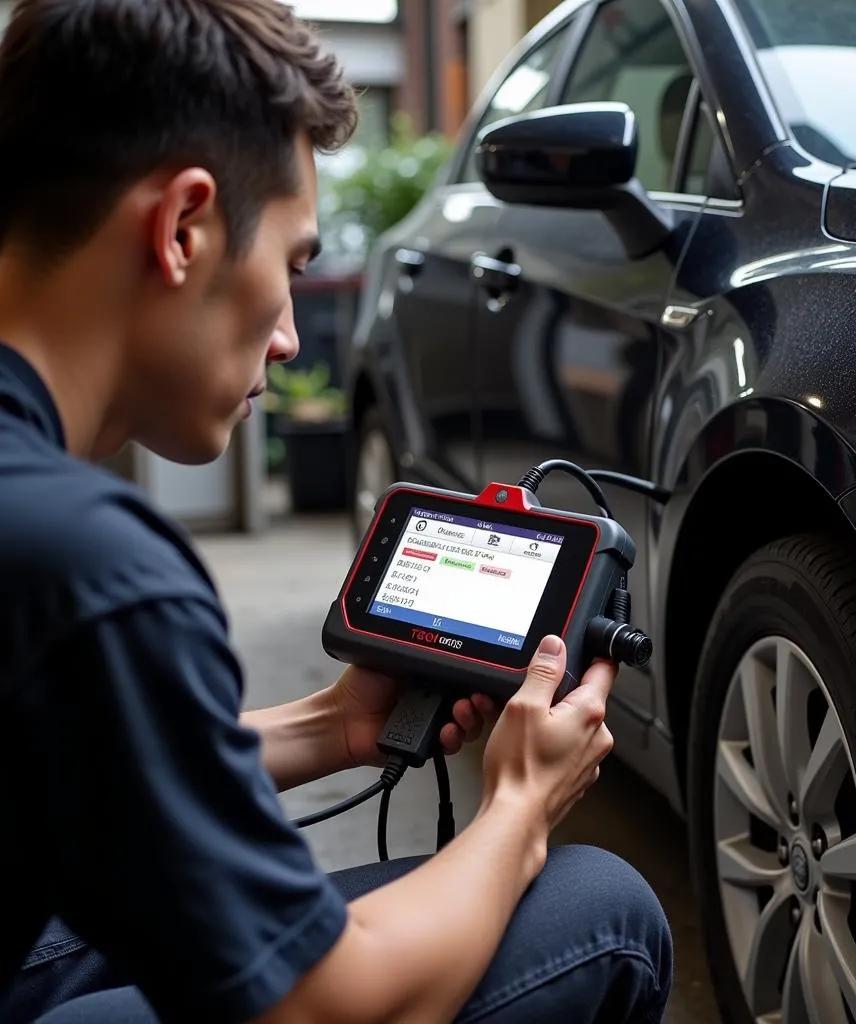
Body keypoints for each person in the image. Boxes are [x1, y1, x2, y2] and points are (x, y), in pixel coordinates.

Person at [0, 1, 674, 1022]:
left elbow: (78, 747)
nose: (284, 336)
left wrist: (331, 723)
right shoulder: (91, 562)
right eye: (292, 264)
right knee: (601, 905)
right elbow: (325, 1007)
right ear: (183, 228)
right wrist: (521, 805)